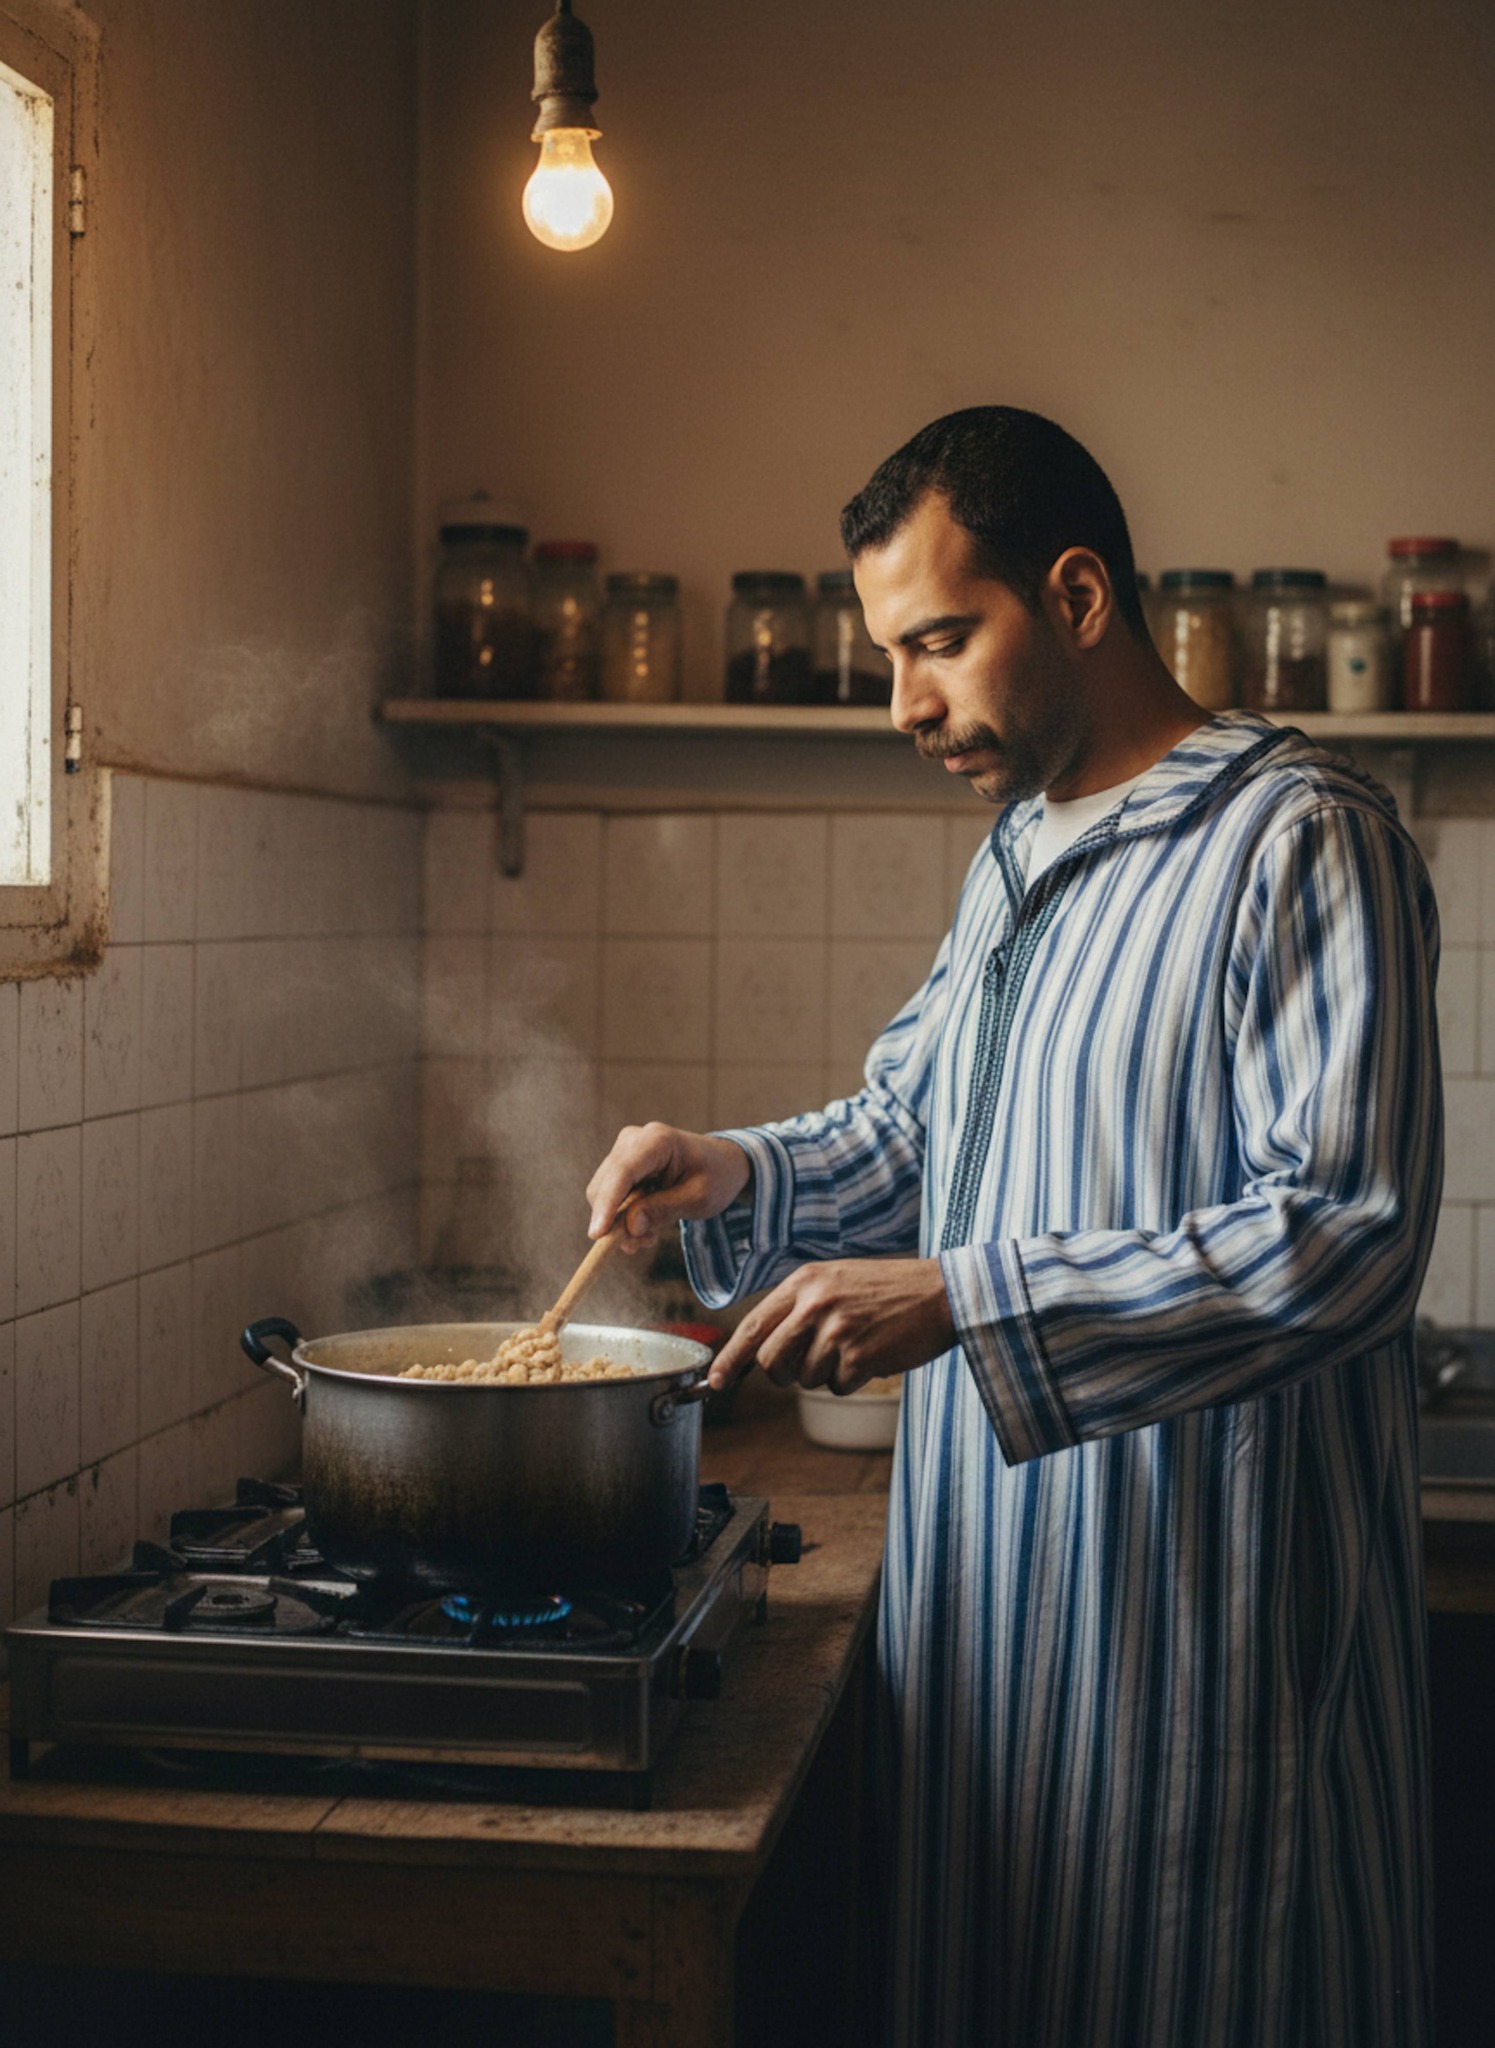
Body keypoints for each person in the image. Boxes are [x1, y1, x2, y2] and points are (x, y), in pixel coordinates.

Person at [585, 407, 1441, 2048]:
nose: (905, 702)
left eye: (940, 643)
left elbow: (1351, 1231)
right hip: (986, 1638)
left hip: (1204, 1648)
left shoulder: (1300, 837)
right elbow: (917, 1128)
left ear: (1078, 595)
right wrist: (733, 1172)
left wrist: (972, 1299)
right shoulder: (1017, 854)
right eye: (890, 653)